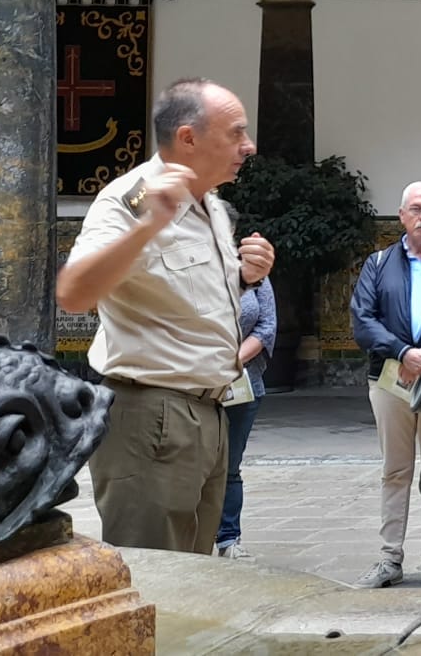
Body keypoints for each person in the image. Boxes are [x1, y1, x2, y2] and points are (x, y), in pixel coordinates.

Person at [58, 78, 276, 554]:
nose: (249, 145)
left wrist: (245, 277)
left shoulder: (211, 205)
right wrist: (146, 227)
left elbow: (179, 290)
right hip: (152, 417)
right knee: (156, 580)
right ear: (189, 138)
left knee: (194, 576)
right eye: (236, 132)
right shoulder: (131, 200)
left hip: (209, 413)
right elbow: (73, 292)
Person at [349, 181, 421, 588]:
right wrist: (402, 352)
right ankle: (390, 558)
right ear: (402, 215)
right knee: (395, 469)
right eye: (416, 209)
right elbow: (363, 320)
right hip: (389, 379)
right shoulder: (378, 263)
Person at [215, 272, 276, 560]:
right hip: (192, 378)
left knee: (230, 464)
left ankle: (228, 537)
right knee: (192, 464)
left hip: (243, 382)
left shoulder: (254, 272)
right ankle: (192, 536)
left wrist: (232, 361)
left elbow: (266, 327)